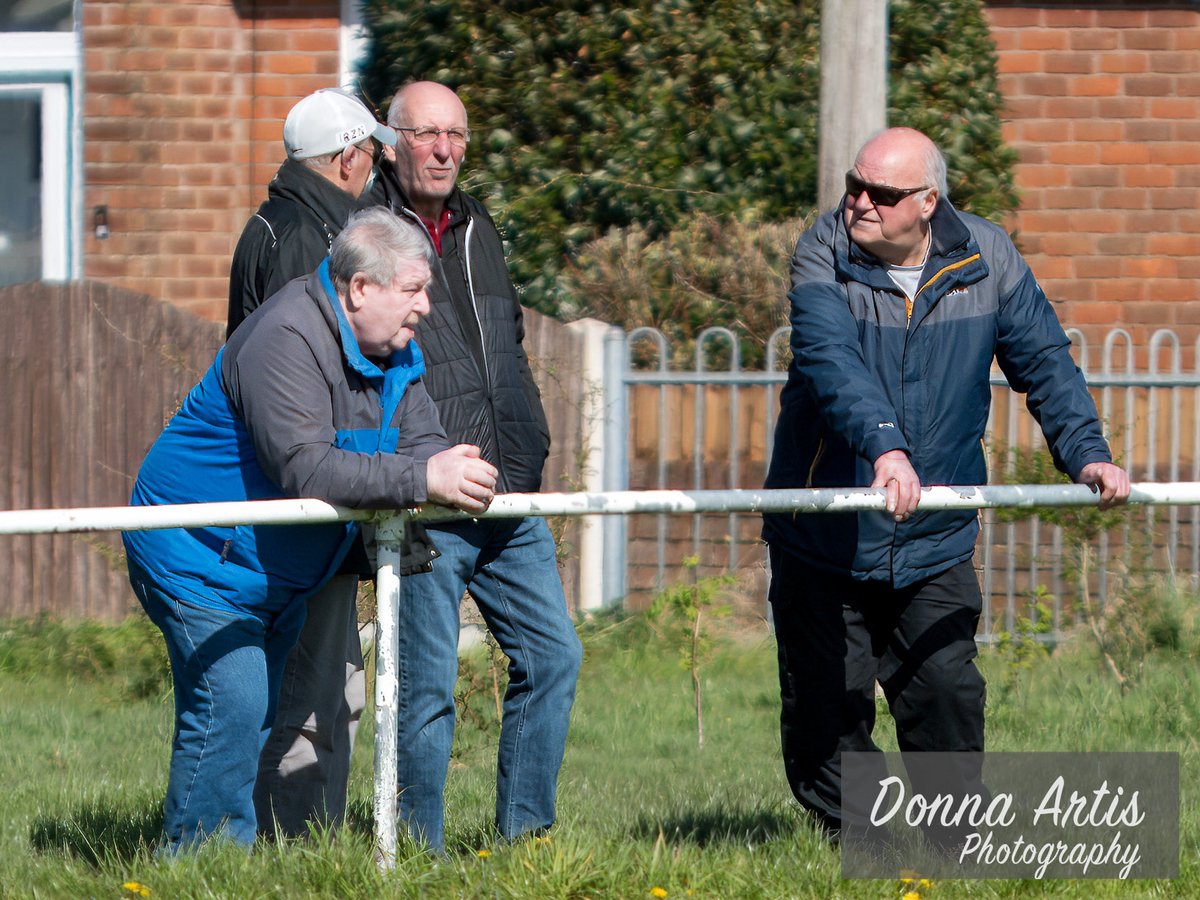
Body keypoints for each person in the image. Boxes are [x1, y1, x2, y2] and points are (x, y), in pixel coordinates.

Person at [761, 127, 1130, 841]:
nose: (860, 203)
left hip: (934, 534)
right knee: (826, 713)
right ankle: (860, 846)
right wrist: (886, 449)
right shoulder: (822, 252)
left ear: (929, 202)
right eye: (853, 185)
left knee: (948, 697)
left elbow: (1045, 363)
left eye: (883, 193)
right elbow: (831, 361)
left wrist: (1087, 453)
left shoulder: (988, 259)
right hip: (825, 535)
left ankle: (954, 846)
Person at [124, 208, 499, 853]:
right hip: (194, 552)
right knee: (232, 704)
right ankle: (200, 865)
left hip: (274, 570)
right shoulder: (286, 336)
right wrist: (422, 480)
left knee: (262, 715)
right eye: (413, 289)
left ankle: (255, 853)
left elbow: (423, 442)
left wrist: (451, 474)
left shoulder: (394, 352)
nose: (427, 308)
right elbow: (305, 466)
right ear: (361, 289)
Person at [374, 80, 583, 853]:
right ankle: (414, 854)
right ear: (393, 141)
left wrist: (527, 440)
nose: (443, 150)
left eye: (456, 135)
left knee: (554, 654)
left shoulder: (476, 225)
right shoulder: (367, 231)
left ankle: (525, 844)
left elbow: (508, 343)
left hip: (508, 490)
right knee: (425, 690)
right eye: (427, 134)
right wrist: (412, 463)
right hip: (430, 497)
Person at [226, 88, 405, 839]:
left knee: (328, 689)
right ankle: (301, 850)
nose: (372, 174)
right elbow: (311, 387)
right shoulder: (311, 241)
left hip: (299, 498)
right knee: (319, 695)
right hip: (310, 504)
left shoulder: (280, 222)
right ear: (346, 157)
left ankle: (303, 839)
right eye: (369, 156)